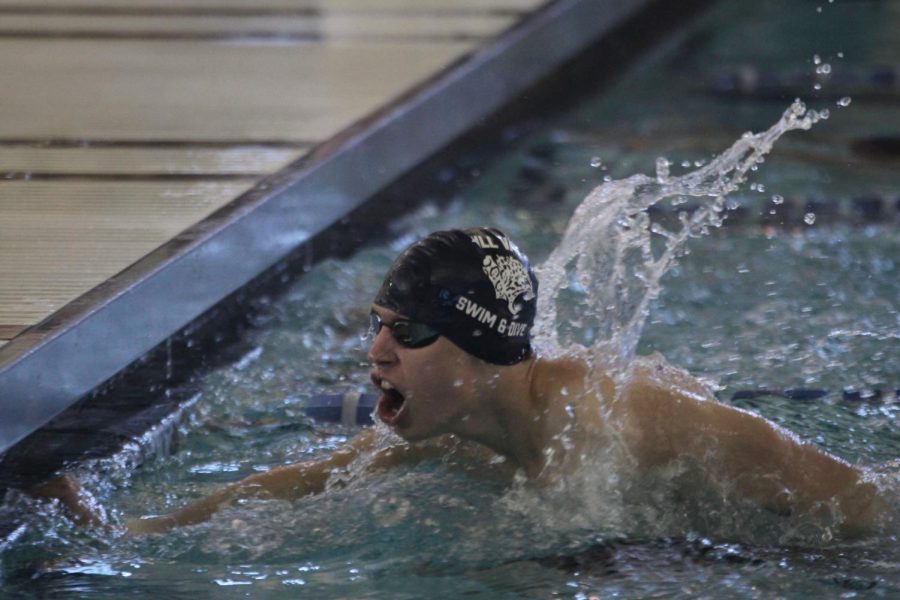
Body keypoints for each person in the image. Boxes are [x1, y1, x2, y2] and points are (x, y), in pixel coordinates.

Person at [35, 228, 887, 536]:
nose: (376, 352)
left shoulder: (623, 421)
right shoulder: (458, 430)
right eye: (377, 323)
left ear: (480, 355)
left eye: (407, 332)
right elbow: (291, 483)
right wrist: (128, 530)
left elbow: (846, 495)